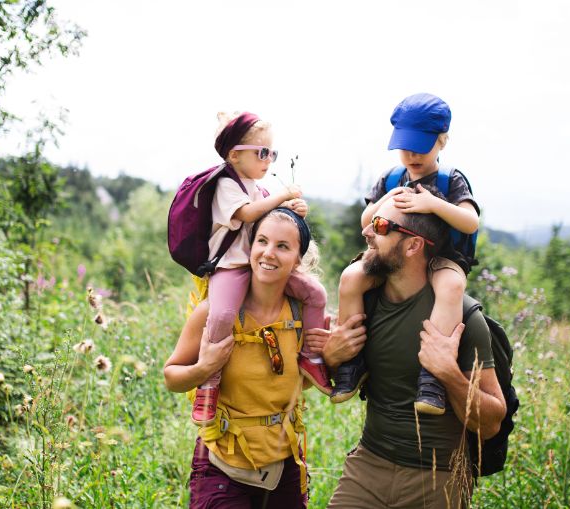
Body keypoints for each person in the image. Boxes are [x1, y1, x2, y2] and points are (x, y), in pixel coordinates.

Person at [308, 195, 506, 508]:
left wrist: (449, 374)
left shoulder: (465, 318)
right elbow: (337, 380)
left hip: (438, 479)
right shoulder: (366, 303)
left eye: (380, 225)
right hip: (368, 466)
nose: (367, 233)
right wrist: (333, 356)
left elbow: (492, 422)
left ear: (413, 245)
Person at [164, 208, 324, 508]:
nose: (268, 253)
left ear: (298, 259)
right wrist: (205, 368)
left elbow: (303, 383)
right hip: (220, 462)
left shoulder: (302, 314)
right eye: (262, 241)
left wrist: (334, 353)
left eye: (282, 246)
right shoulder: (215, 313)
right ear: (249, 247)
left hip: (283, 462)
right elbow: (171, 377)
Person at [332, 93, 480, 416]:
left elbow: (470, 222)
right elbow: (365, 221)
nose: (411, 154)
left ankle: (432, 376)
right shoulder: (392, 179)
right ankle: (352, 361)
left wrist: (432, 204)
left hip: (441, 258)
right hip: (394, 255)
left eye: (421, 146)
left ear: (442, 142)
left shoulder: (450, 180)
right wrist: (385, 199)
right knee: (351, 278)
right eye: (405, 146)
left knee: (452, 287)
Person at [192, 112, 332, 427]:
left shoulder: (257, 187)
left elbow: (272, 219)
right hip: (232, 265)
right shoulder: (227, 184)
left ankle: (311, 356)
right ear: (234, 154)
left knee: (314, 293)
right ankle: (209, 382)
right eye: (262, 152)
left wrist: (293, 210)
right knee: (223, 314)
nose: (269, 159)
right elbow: (248, 213)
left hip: (260, 265)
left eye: (272, 153)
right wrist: (283, 195)